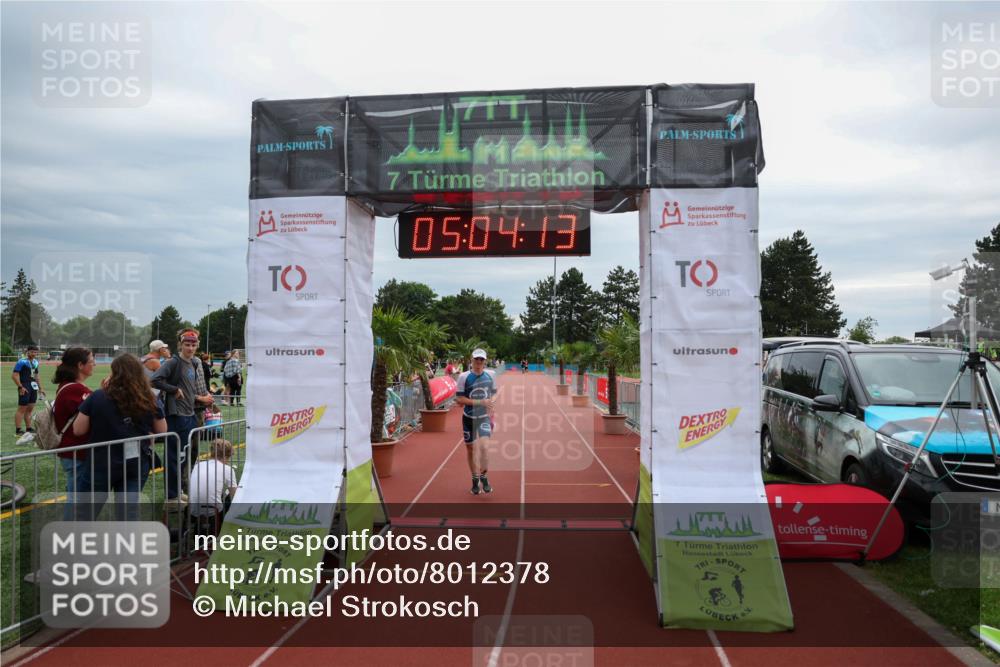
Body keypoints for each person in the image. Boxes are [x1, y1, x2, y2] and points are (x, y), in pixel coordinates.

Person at [73, 354, 166, 520]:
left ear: (114, 372)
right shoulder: (149, 397)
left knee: (85, 513)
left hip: (101, 462)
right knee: (127, 513)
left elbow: (78, 429)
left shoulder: (98, 396)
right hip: (135, 462)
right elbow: (162, 429)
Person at [152, 329, 214, 503]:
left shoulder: (194, 363)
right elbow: (155, 379)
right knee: (174, 456)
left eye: (193, 345)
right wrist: (174, 390)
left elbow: (193, 388)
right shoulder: (173, 362)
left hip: (190, 414)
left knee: (184, 456)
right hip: (176, 415)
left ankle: (178, 490)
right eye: (187, 344)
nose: (190, 348)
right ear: (180, 345)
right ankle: (171, 496)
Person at [52, 348, 96, 513]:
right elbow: (98, 407)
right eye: (91, 361)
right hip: (77, 452)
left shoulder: (69, 386)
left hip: (74, 451)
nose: (94, 365)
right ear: (80, 365)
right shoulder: (75, 389)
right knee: (78, 500)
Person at [455, 348, 497, 495]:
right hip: (468, 418)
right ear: (471, 360)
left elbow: (493, 394)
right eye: (476, 359)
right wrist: (481, 402)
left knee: (485, 447)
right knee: (471, 449)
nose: (479, 362)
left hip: (484, 417)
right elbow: (459, 399)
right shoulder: (463, 377)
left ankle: (484, 477)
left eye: (481, 360)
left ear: (485, 361)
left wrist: (491, 403)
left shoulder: (491, 374)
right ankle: (474, 480)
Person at [189, 438, 237, 533]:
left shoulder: (198, 465)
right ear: (225, 456)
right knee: (229, 500)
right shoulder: (227, 469)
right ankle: (224, 531)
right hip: (213, 510)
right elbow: (234, 496)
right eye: (228, 458)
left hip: (193, 509)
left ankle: (198, 530)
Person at [12, 345, 41, 442]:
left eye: (36, 352)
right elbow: (14, 375)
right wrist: (20, 386)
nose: (34, 354)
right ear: (27, 352)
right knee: (22, 408)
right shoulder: (21, 362)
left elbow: (36, 376)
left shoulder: (36, 362)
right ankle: (18, 430)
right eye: (32, 352)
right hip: (24, 386)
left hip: (33, 387)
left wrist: (40, 388)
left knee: (30, 408)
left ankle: (28, 428)